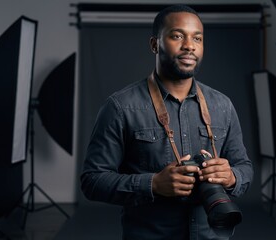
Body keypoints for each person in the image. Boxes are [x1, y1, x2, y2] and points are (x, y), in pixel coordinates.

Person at [81, 4, 253, 239]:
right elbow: (92, 181)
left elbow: (244, 167)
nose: (189, 46)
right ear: (155, 44)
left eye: (197, 38)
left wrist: (231, 176)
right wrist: (152, 184)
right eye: (177, 36)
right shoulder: (120, 107)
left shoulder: (222, 105)